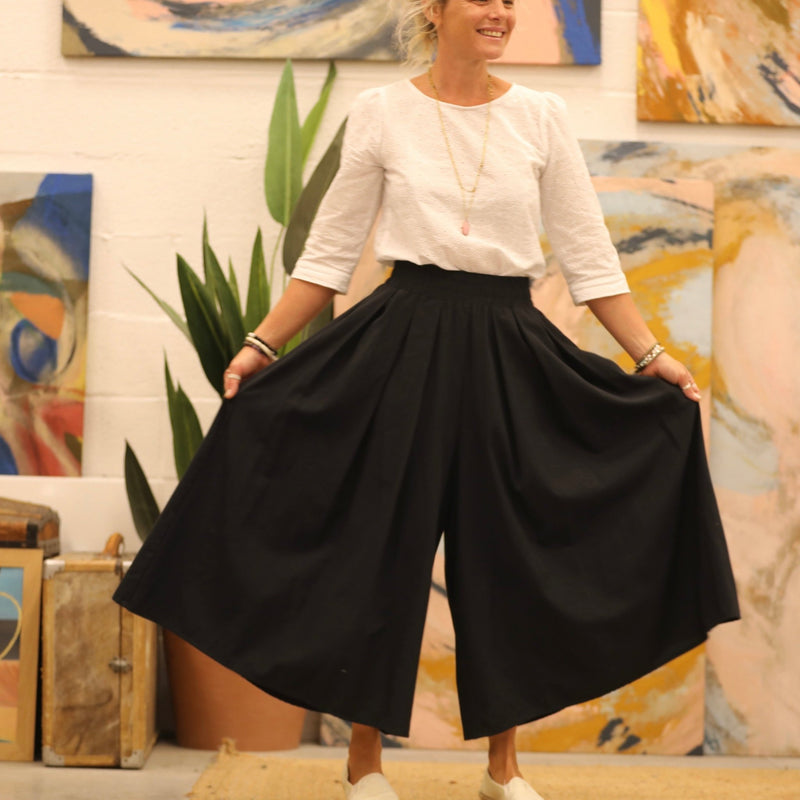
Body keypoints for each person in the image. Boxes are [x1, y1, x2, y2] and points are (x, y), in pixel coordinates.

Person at [114, 2, 740, 799]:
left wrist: (652, 358)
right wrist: (260, 346)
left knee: (507, 552)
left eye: (508, 1)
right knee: (375, 548)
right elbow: (330, 251)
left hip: (510, 346)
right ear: (436, 12)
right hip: (399, 345)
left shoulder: (541, 116)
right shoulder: (382, 112)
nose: (500, 13)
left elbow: (590, 257)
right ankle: (364, 764)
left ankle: (503, 770)